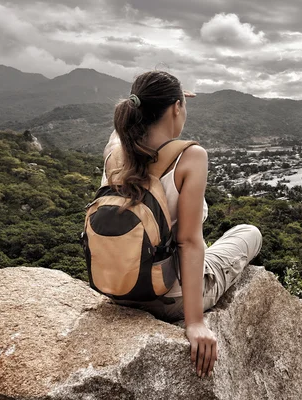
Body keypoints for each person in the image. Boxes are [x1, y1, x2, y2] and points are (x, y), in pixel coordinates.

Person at [101, 71, 262, 378]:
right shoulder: (190, 157)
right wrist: (195, 322)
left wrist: (161, 96)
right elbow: (188, 242)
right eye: (181, 106)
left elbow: (124, 120)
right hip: (167, 297)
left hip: (118, 287)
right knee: (249, 233)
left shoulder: (115, 149)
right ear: (177, 108)